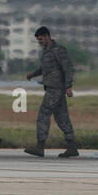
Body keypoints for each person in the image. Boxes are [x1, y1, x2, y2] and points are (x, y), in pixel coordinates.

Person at [23, 26, 77, 158]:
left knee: (43, 115)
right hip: (53, 87)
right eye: (38, 40)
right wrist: (33, 74)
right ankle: (72, 147)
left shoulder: (58, 50)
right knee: (62, 117)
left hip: (55, 88)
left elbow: (68, 68)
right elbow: (45, 68)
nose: (39, 42)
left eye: (41, 39)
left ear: (47, 36)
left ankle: (40, 146)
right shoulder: (47, 51)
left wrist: (68, 86)